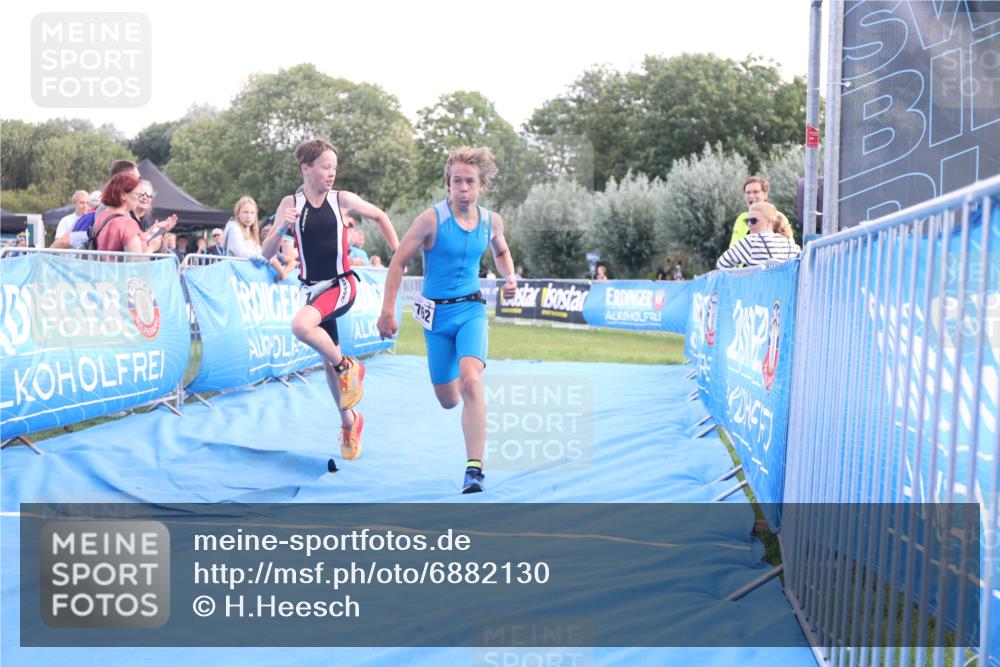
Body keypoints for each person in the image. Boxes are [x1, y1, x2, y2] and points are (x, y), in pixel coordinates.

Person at [377, 146, 518, 494]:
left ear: (482, 184)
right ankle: (460, 389)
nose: (463, 188)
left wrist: (509, 277)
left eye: (470, 181)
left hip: (471, 310)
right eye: (457, 182)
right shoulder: (431, 220)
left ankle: (474, 469)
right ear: (449, 184)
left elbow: (501, 251)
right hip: (436, 317)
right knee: (448, 399)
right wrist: (388, 310)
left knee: (471, 381)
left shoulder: (492, 221)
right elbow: (397, 263)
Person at [262, 138, 400, 463]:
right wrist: (283, 226)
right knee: (327, 364)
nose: (331, 174)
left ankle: (348, 365)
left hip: (342, 284)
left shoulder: (342, 200)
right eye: (325, 167)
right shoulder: (290, 203)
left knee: (301, 325)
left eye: (334, 168)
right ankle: (349, 422)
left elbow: (380, 215)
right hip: (313, 290)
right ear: (305, 168)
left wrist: (398, 252)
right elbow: (264, 253)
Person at [94, 172, 170, 255]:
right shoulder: (128, 223)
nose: (139, 198)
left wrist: (148, 233)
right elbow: (136, 262)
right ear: (123, 195)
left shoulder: (102, 216)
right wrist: (152, 248)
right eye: (137, 194)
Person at [717, 202, 801, 269]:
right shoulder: (792, 246)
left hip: (757, 290)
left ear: (770, 222)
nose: (749, 225)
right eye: (747, 221)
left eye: (753, 221)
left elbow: (722, 264)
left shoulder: (751, 242)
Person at [728, 176, 792, 249]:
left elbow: (789, 247)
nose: (751, 196)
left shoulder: (778, 217)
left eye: (755, 192)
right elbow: (732, 248)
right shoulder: (741, 218)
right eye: (748, 193)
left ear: (765, 195)